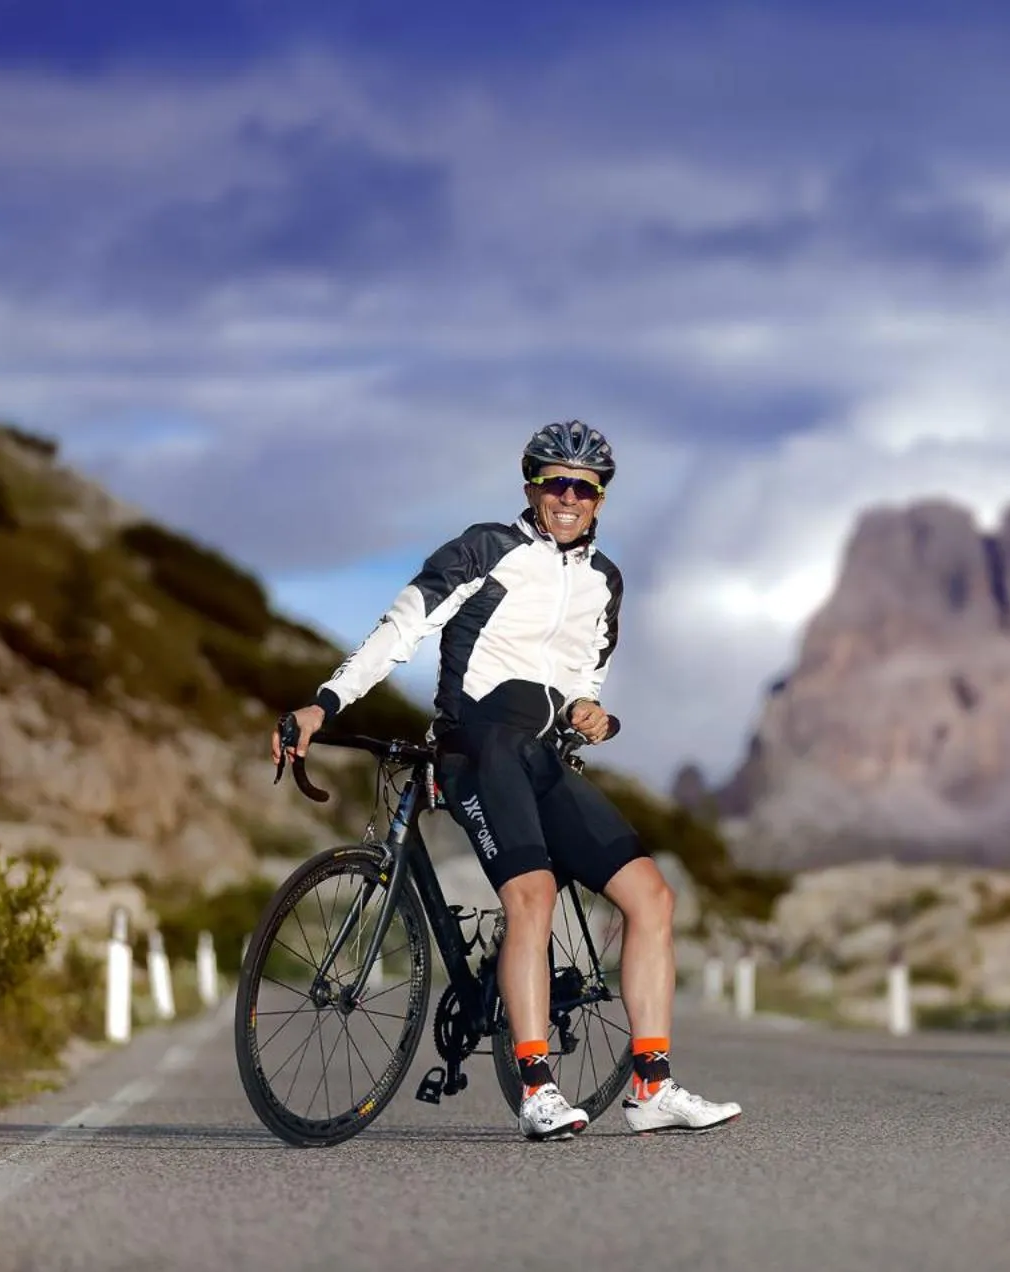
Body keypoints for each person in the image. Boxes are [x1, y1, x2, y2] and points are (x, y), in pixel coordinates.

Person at [270, 420, 742, 1141]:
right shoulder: (484, 550)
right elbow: (400, 628)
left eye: (584, 488)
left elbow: (588, 673)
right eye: (555, 482)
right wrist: (325, 700)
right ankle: (536, 1084)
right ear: (530, 485)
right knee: (534, 894)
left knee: (652, 895)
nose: (568, 497)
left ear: (600, 500)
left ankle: (651, 1084)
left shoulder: (604, 582)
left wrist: (591, 710)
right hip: (477, 748)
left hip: (545, 757)